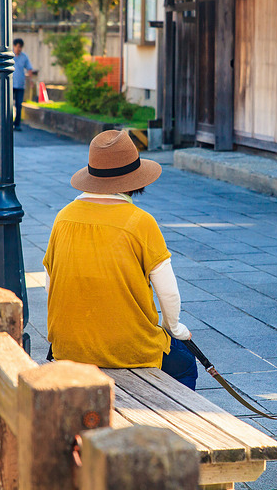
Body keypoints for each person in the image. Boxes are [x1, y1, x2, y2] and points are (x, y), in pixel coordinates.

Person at [43, 130, 198, 390]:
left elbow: (51, 283)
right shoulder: (140, 221)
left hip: (68, 347)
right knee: (186, 366)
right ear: (135, 180)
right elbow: (168, 292)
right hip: (128, 348)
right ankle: (171, 424)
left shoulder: (63, 217)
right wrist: (175, 328)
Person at [12, 38, 37, 130]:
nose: (19, 49)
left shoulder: (24, 57)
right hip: (10, 84)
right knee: (8, 105)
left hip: (20, 84)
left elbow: (29, 69)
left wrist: (31, 81)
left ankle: (17, 124)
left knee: (19, 105)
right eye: (18, 47)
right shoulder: (10, 55)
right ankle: (8, 122)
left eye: (21, 47)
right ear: (14, 46)